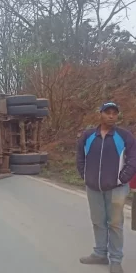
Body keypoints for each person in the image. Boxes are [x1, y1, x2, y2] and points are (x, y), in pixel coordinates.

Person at [76, 102, 136, 273]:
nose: (111, 116)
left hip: (116, 188)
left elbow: (133, 159)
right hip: (93, 187)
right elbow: (80, 157)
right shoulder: (88, 136)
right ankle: (100, 253)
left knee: (115, 224)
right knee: (98, 222)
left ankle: (115, 260)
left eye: (114, 113)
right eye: (107, 112)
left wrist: (122, 178)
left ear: (117, 116)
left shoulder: (125, 136)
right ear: (100, 114)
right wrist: (85, 175)